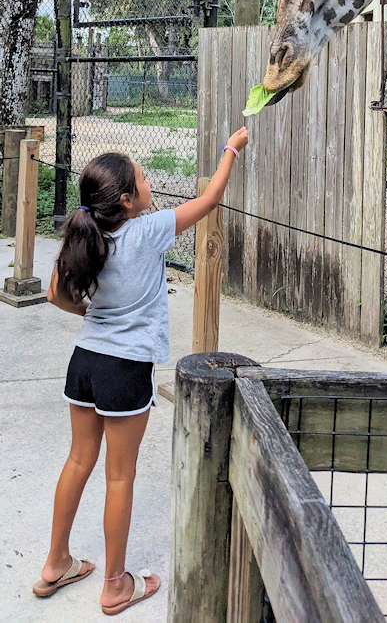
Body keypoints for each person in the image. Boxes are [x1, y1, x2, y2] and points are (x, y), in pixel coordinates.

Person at [32, 127, 248, 615]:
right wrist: (232, 150)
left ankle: (55, 563)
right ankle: (114, 585)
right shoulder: (147, 230)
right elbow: (210, 198)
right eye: (145, 179)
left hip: (84, 363)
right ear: (128, 200)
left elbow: (55, 295)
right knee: (118, 477)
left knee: (78, 461)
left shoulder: (82, 232)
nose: (150, 184)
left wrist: (90, 317)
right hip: (125, 371)